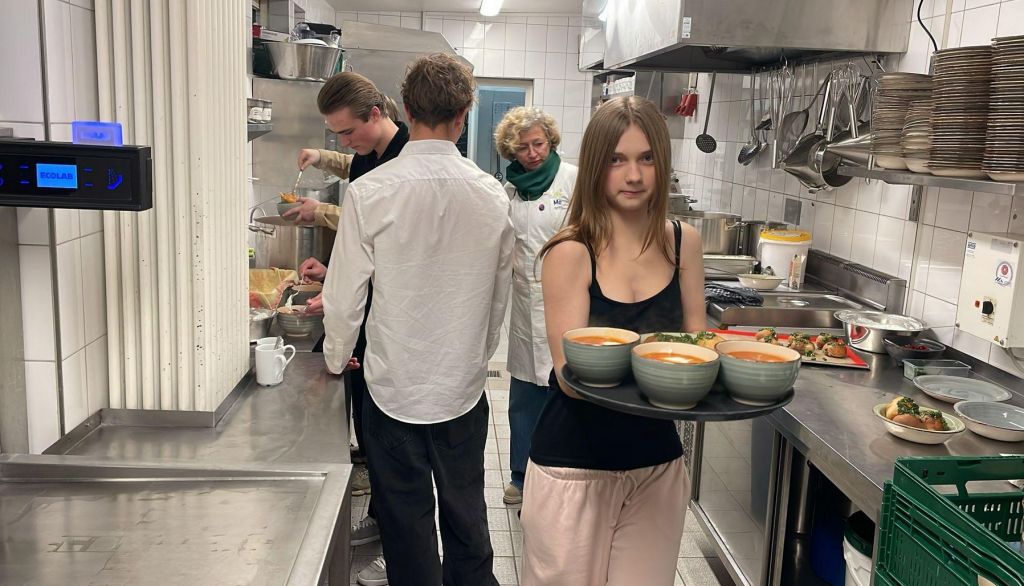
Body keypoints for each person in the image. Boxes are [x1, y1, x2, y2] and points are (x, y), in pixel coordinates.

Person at [322, 53, 514, 586]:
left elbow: (344, 298)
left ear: (405, 110)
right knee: (466, 511)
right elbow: (498, 298)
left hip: (392, 388)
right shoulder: (492, 195)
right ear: (464, 114)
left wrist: (336, 358)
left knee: (405, 521)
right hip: (460, 389)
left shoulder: (370, 192)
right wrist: (475, 358)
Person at [520, 96, 706, 586]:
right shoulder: (570, 251)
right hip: (574, 468)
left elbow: (699, 350)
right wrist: (664, 363)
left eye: (647, 158)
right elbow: (571, 377)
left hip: (657, 464)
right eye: (617, 160)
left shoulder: (684, 243)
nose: (634, 175)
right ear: (595, 167)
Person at [286, 74, 410, 586]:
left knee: (388, 435)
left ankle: (394, 534)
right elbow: (361, 247)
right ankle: (380, 515)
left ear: (377, 114)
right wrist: (333, 276)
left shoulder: (403, 159)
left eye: (346, 131)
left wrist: (340, 302)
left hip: (387, 316)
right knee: (368, 421)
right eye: (336, 134)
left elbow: (383, 244)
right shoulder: (367, 153)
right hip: (364, 304)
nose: (344, 141)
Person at [492, 107, 577, 506]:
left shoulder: (573, 180)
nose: (532, 153)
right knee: (525, 394)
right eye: (522, 147)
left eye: (538, 144)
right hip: (525, 306)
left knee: (565, 391)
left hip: (568, 300)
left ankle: (562, 475)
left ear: (551, 141)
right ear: (511, 151)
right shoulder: (508, 191)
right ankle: (521, 475)